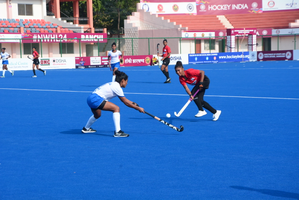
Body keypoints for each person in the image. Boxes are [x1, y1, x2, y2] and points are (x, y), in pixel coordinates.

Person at [82, 70, 144, 137]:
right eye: (127, 81)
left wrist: (133, 103)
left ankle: (86, 128)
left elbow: (126, 100)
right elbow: (126, 103)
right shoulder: (117, 87)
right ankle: (118, 132)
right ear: (123, 80)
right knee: (116, 108)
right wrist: (138, 108)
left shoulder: (113, 84)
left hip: (90, 98)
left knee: (97, 115)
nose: (127, 83)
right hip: (96, 99)